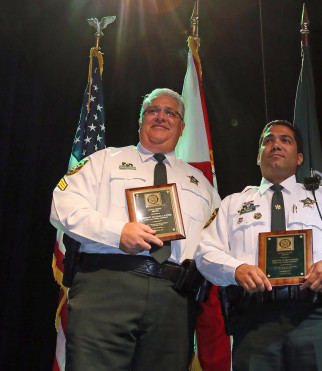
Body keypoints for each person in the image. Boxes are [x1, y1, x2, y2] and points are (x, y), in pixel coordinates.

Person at [50, 88, 221, 370]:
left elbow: (217, 240)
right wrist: (116, 233)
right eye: (153, 110)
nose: (161, 117)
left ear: (182, 127)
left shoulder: (201, 182)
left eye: (171, 113)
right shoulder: (104, 161)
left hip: (174, 298)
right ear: (140, 120)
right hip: (106, 285)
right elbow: (62, 205)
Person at [194, 120, 322, 370]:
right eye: (268, 140)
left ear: (299, 158)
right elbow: (205, 252)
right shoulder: (232, 204)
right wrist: (236, 269)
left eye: (285, 140)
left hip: (314, 315)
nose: (276, 144)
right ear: (258, 156)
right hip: (253, 319)